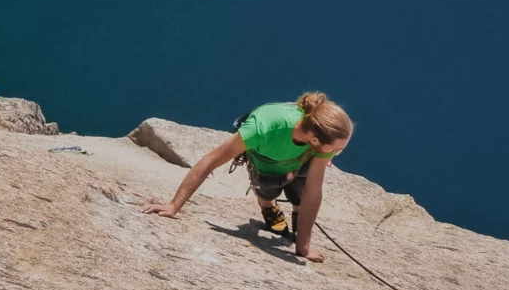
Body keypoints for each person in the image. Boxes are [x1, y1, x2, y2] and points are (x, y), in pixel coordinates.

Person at [142, 92, 354, 262]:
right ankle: (268, 207)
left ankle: (296, 218)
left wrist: (303, 247)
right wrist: (173, 206)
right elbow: (211, 161)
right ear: (315, 139)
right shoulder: (263, 128)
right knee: (267, 187)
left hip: (302, 157)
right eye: (336, 150)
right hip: (266, 160)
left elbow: (313, 190)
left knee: (300, 192)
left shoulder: (318, 140)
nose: (336, 153)